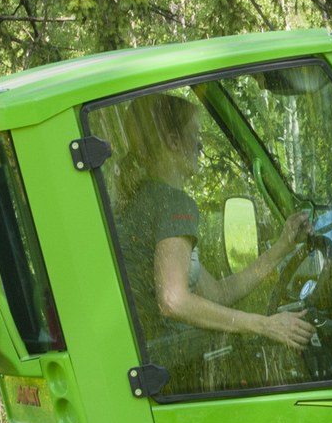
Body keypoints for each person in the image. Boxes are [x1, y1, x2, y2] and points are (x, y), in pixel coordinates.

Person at [112, 92, 315, 361]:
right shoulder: (173, 204)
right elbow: (173, 300)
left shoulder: (143, 198)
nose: (200, 146)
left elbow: (219, 293)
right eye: (195, 134)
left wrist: (281, 247)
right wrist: (266, 325)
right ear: (173, 142)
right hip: (168, 363)